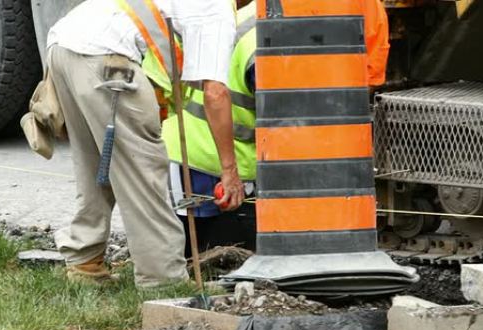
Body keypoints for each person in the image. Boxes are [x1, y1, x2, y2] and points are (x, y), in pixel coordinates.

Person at [46, 0, 246, 287]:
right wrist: (230, 172)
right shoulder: (217, 7)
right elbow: (214, 93)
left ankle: (84, 262)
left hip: (65, 44)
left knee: (95, 162)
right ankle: (163, 278)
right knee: (143, 172)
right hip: (106, 60)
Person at [164, 0, 390, 253]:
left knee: (235, 253)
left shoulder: (263, 15)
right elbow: (287, 127)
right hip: (202, 161)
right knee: (202, 254)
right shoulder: (268, 44)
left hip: (229, 160)